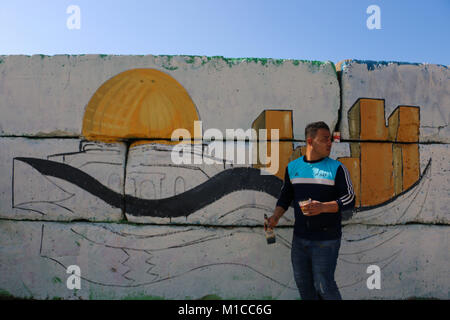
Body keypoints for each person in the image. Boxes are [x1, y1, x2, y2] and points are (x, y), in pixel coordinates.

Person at [265, 121, 355, 300]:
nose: (330, 143)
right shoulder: (293, 167)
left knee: (324, 286)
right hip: (299, 240)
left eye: (330, 139)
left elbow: (350, 199)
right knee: (305, 289)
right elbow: (285, 196)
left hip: (326, 240)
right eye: (325, 139)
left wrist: (323, 207)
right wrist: (275, 217)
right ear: (310, 141)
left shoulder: (337, 168)